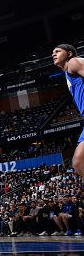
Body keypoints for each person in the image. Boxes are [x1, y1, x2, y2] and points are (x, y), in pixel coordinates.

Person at [52, 44, 84, 175]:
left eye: (58, 51)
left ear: (69, 53)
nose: (53, 54)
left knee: (78, 161)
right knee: (78, 163)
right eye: (53, 52)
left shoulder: (73, 62)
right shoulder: (67, 73)